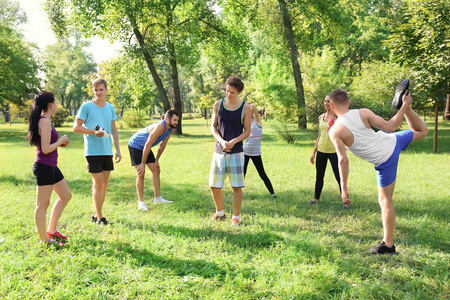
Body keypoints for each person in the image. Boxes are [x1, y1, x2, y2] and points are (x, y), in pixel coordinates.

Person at [328, 88, 427, 254]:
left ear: (331, 105)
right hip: (393, 140)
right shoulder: (363, 112)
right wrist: (405, 107)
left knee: (385, 200)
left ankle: (388, 245)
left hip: (385, 159)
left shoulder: (335, 131)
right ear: (348, 103)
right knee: (422, 131)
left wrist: (344, 189)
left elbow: (343, 160)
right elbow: (391, 127)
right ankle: (409, 108)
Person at [73, 78, 122, 225]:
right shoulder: (86, 107)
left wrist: (118, 150)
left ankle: (96, 213)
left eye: (101, 89)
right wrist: (93, 132)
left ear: (106, 90)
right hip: (93, 151)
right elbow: (76, 127)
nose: (98, 92)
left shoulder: (110, 108)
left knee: (105, 183)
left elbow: (113, 129)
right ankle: (100, 218)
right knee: (98, 183)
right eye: (96, 90)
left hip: (107, 151)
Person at [28, 92, 72, 246]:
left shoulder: (46, 121)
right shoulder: (44, 122)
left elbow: (48, 146)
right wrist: (60, 141)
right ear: (50, 104)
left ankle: (51, 230)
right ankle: (44, 240)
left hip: (51, 165)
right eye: (56, 101)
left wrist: (60, 143)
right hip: (44, 166)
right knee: (42, 204)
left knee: (66, 195)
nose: (57, 105)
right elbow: (46, 149)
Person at [209, 76, 252, 226]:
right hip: (219, 150)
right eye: (227, 91)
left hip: (236, 152)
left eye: (232, 92)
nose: (228, 94)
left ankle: (236, 216)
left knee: (236, 186)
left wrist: (233, 142)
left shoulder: (245, 108)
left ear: (239, 93)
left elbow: (247, 131)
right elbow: (213, 127)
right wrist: (221, 141)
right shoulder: (218, 104)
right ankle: (220, 212)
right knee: (214, 185)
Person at [128, 110, 179, 210]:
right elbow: (147, 144)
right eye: (174, 120)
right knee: (141, 173)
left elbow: (163, 144)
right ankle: (141, 203)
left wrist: (156, 160)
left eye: (177, 120)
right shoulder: (160, 127)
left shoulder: (171, 129)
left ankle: (158, 198)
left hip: (146, 147)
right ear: (167, 119)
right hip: (135, 145)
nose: (176, 122)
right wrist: (142, 163)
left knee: (156, 170)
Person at [309, 95, 341, 205]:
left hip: (334, 151)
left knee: (339, 176)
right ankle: (315, 199)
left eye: (328, 101)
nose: (326, 103)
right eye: (325, 101)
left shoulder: (338, 117)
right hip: (322, 150)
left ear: (332, 104)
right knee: (319, 176)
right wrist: (314, 152)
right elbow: (319, 135)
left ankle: (345, 201)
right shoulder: (320, 117)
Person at [243, 103, 276, 199]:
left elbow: (254, 108)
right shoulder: (247, 122)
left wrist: (249, 106)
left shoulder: (258, 122)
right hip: (245, 151)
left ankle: (272, 193)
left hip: (256, 153)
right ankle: (237, 193)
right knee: (242, 173)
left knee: (262, 173)